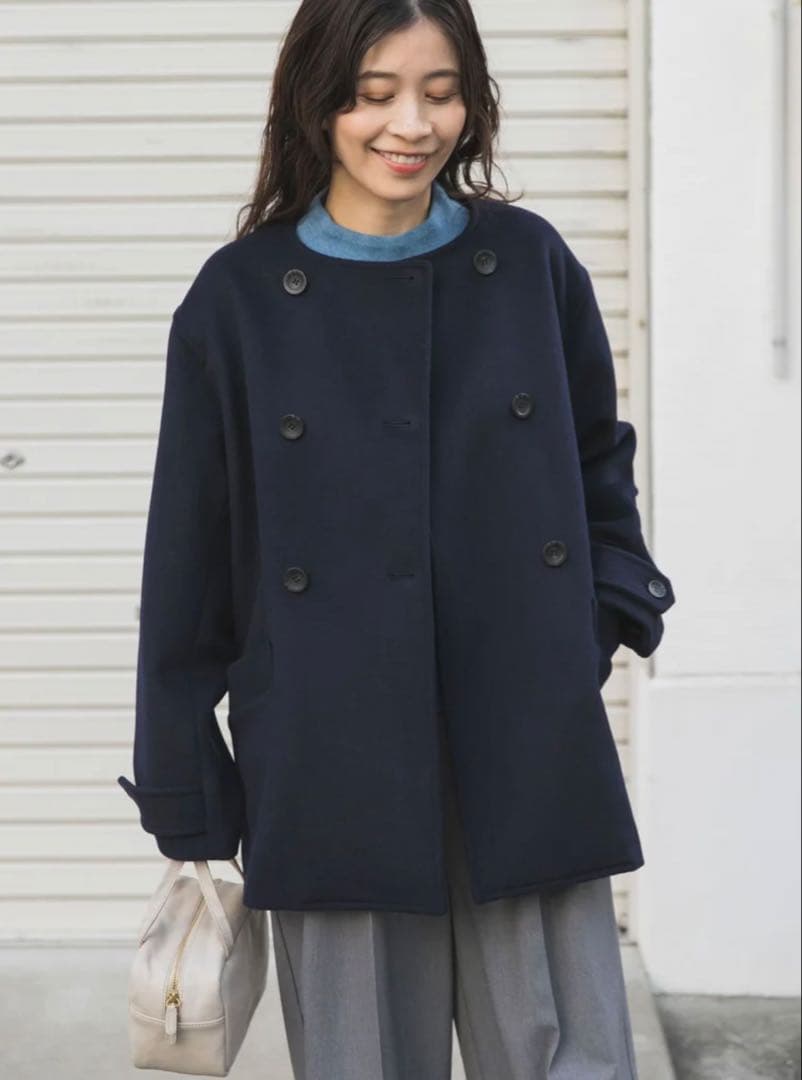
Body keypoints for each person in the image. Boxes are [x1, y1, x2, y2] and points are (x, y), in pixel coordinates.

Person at [119, 1, 675, 1077]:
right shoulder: (238, 301)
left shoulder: (528, 264)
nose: (411, 125)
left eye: (441, 91)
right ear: (316, 103)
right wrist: (186, 781)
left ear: (474, 102)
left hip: (523, 732)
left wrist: (596, 619)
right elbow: (187, 556)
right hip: (330, 749)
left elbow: (598, 462)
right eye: (375, 95)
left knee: (573, 1059)